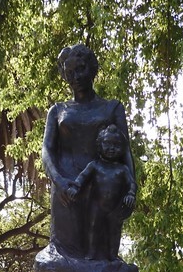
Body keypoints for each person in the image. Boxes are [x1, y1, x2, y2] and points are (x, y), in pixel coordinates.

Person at [41, 44, 136, 260]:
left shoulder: (112, 108)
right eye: (69, 72)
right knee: (63, 258)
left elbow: (125, 152)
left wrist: (131, 190)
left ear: (92, 68)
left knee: (103, 256)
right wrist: (58, 181)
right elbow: (47, 150)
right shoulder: (57, 111)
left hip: (105, 190)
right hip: (67, 190)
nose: (75, 77)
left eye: (81, 68)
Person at [67, 124, 136, 261]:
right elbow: (82, 178)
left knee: (114, 231)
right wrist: (75, 188)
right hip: (96, 205)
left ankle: (113, 256)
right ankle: (91, 253)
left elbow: (131, 184)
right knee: (93, 229)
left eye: (116, 145)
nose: (112, 148)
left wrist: (131, 194)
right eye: (107, 143)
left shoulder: (122, 169)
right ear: (99, 145)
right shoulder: (95, 165)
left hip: (115, 207)